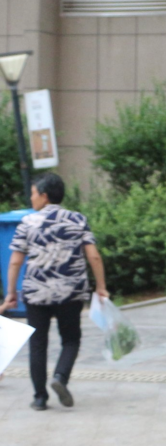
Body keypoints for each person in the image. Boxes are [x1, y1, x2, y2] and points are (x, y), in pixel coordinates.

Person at [0, 174, 108, 410]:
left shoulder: (28, 222)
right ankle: (60, 377)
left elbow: (15, 261)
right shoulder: (78, 219)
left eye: (33, 193)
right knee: (71, 339)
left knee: (38, 343)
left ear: (44, 196)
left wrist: (10, 292)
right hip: (71, 292)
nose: (31, 198)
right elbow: (93, 256)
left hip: (36, 293)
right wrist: (101, 287)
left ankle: (40, 398)